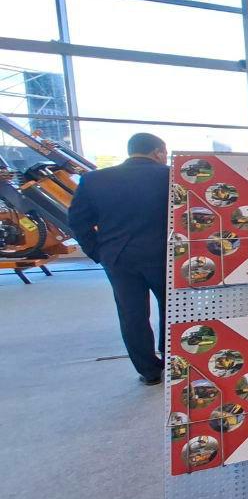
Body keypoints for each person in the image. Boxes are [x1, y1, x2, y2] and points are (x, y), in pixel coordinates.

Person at [69, 133, 170, 385]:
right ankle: (172, 360)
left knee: (132, 314)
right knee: (172, 310)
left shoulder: (94, 179)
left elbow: (77, 221)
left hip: (118, 258)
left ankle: (148, 371)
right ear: (158, 152)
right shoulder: (171, 176)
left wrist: (98, 252)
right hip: (165, 256)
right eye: (165, 153)